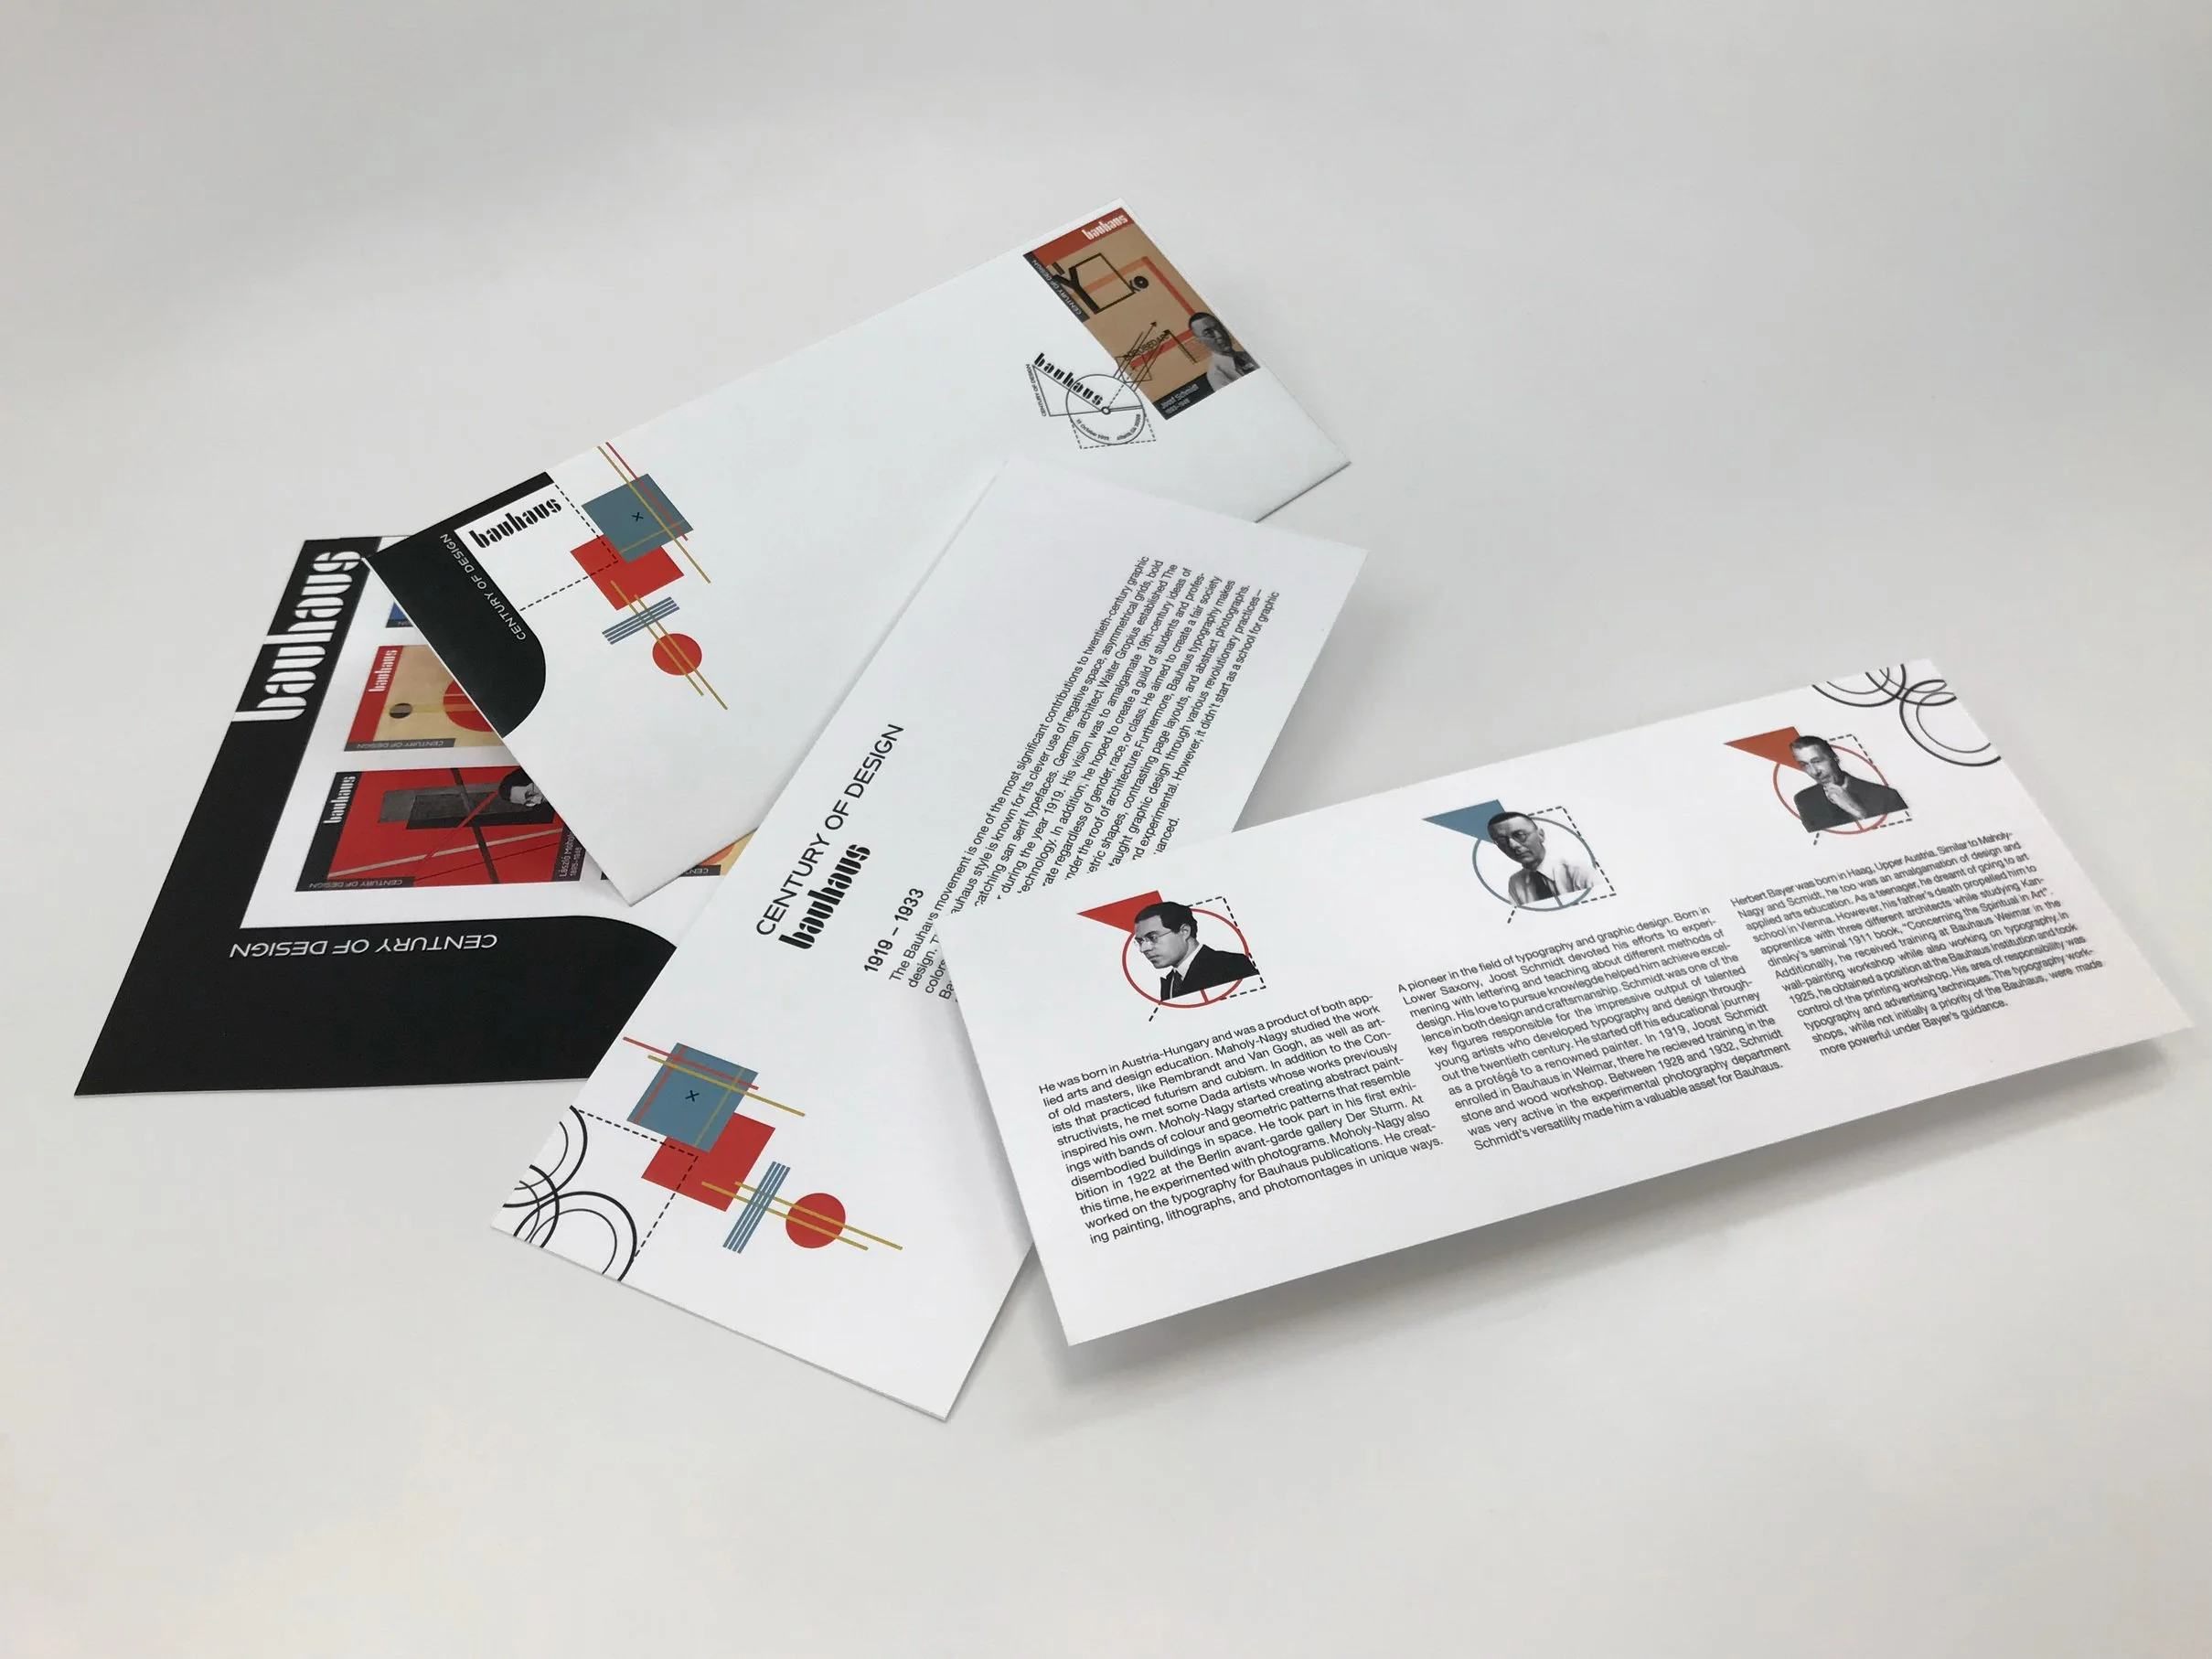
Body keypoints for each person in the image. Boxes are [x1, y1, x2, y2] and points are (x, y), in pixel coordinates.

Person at [1130, 900, 1256, 1001]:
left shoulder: (1232, 965)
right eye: (1140, 941)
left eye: (1153, 937)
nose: (1143, 949)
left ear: (1184, 931)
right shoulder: (1170, 982)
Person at [1789, 735, 1907, 830]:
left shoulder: (1886, 796)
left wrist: (1859, 813)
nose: (1814, 772)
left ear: (1835, 758)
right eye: (1804, 765)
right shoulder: (1804, 800)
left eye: (1817, 761)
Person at [1487, 811, 1595, 907]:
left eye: (1520, 835)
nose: (1513, 845)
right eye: (1501, 841)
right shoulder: (1515, 882)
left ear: (1541, 835)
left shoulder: (1580, 872)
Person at [1189, 311, 1259, 391]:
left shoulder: (1251, 355)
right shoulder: (1217, 375)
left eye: (1219, 327)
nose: (1219, 335)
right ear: (1199, 340)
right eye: (1209, 333)